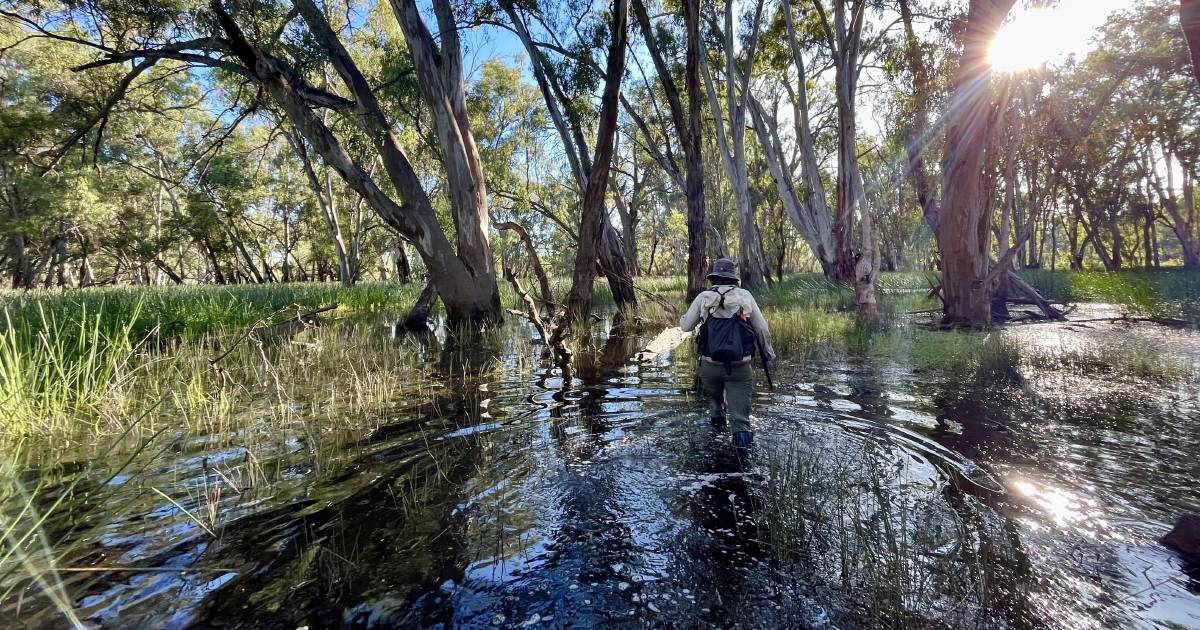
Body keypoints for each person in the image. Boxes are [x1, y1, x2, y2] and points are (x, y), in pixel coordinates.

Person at [679, 258, 776, 449]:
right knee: (741, 421)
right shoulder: (745, 296)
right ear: (733, 279)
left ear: (714, 278)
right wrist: (768, 353)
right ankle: (742, 464)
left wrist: (687, 316)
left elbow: (686, 326)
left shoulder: (704, 297)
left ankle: (717, 449)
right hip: (740, 367)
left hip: (709, 365)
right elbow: (762, 329)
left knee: (716, 408)